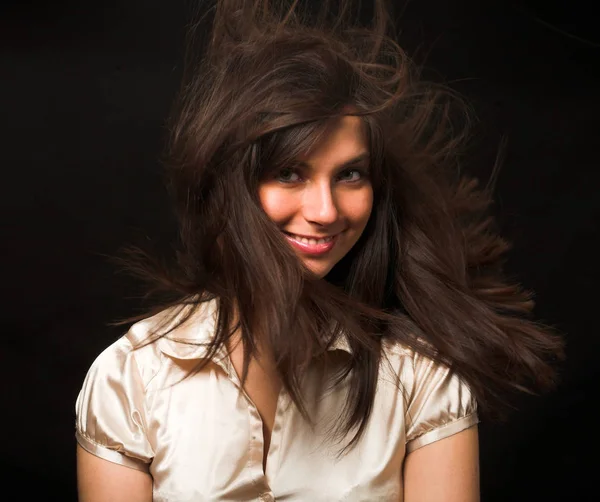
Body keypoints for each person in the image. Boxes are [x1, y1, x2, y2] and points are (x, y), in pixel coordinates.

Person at [75, 0, 564, 500]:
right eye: (290, 173)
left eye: (350, 174)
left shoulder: (423, 382)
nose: (326, 210)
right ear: (230, 184)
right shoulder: (130, 379)